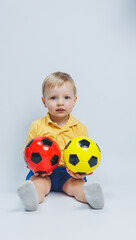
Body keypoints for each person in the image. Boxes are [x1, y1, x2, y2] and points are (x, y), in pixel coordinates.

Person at [17, 72, 104, 211]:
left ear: (74, 101)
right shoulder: (37, 125)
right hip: (43, 173)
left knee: (76, 186)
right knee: (39, 184)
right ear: (44, 101)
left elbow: (85, 155)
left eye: (66, 97)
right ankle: (32, 199)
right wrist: (36, 169)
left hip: (69, 174)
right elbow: (27, 152)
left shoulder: (80, 128)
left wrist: (81, 172)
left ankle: (92, 197)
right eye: (53, 98)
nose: (60, 102)